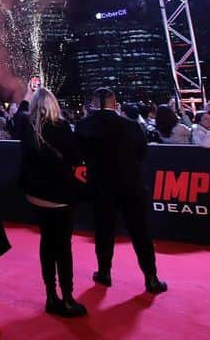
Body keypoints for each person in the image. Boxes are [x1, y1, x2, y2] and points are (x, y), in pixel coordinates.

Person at [76, 87, 167, 294]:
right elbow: (142, 153)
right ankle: (151, 278)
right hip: (131, 185)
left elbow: (79, 154)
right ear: (114, 103)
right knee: (140, 233)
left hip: (101, 187)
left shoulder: (84, 126)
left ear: (93, 103)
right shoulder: (130, 125)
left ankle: (104, 273)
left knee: (103, 231)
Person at [18, 88, 86, 317]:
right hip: (59, 196)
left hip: (36, 196)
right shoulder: (62, 127)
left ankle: (50, 296)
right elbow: (76, 158)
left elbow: (19, 116)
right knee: (63, 247)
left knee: (47, 242)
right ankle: (67, 298)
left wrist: (28, 97)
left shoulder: (27, 128)